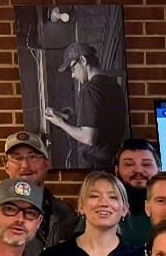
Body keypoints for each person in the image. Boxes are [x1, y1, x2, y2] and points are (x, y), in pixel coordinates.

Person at [0, 131, 77, 256]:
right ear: (6, 166)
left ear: (47, 163)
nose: (25, 165)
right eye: (17, 158)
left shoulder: (65, 213)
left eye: (33, 157)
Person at [45, 43, 128, 171]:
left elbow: (88, 137)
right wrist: (61, 116)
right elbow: (97, 121)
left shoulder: (89, 90)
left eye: (72, 69)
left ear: (83, 60)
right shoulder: (114, 86)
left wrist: (60, 123)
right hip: (111, 161)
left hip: (96, 165)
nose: (73, 75)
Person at [115, 138, 160, 245]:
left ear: (159, 170)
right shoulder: (104, 209)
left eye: (146, 164)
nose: (138, 170)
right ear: (116, 170)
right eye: (129, 164)